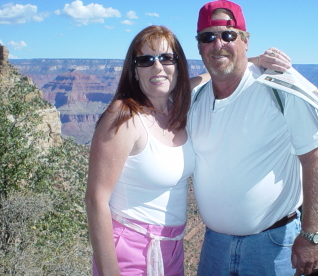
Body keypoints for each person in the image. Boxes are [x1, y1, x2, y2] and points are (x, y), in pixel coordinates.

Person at [85, 25, 291, 276]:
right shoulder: (124, 116)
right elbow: (96, 200)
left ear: (178, 66)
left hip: (171, 249)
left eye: (166, 58)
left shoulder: (178, 106)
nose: (158, 67)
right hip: (131, 250)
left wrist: (251, 61)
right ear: (135, 70)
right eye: (146, 60)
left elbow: (205, 79)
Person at [188, 0, 318, 276]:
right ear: (199, 46)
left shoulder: (280, 87)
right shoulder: (196, 97)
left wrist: (312, 235)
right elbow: (165, 92)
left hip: (273, 247)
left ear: (245, 40)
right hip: (213, 247)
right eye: (208, 37)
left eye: (228, 35)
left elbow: (315, 161)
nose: (218, 44)